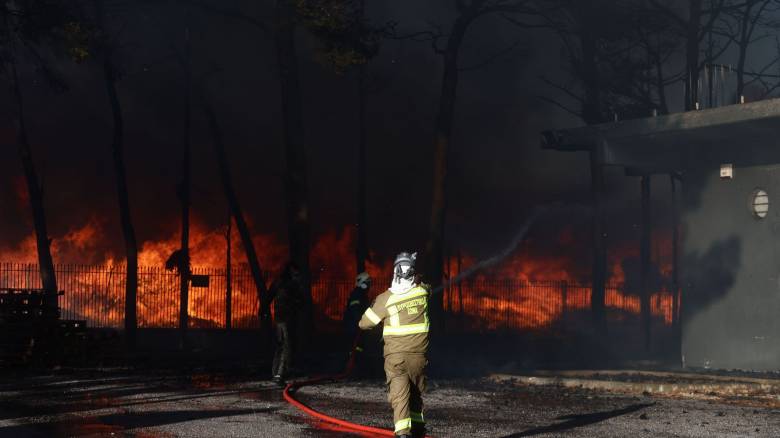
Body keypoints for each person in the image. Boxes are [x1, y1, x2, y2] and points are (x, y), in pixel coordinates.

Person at [359, 252, 429, 438]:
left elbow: (364, 323)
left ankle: (403, 434)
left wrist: (375, 306)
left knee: (400, 397)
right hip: (419, 358)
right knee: (414, 394)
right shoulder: (422, 293)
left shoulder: (385, 299)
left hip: (396, 358)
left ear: (395, 272)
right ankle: (419, 430)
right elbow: (425, 285)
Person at [268, 262, 303, 385]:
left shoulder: (279, 282)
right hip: (286, 319)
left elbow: (269, 296)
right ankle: (280, 374)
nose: (297, 275)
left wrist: (263, 310)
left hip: (278, 319)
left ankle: (275, 372)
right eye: (296, 273)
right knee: (286, 346)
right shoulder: (292, 285)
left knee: (280, 345)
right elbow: (299, 302)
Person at [343, 272, 371, 372]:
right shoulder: (357, 294)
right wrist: (360, 322)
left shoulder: (361, 294)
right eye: (368, 283)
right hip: (353, 327)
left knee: (358, 348)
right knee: (354, 348)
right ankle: (352, 369)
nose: (369, 285)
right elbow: (355, 310)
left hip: (356, 326)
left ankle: (356, 368)